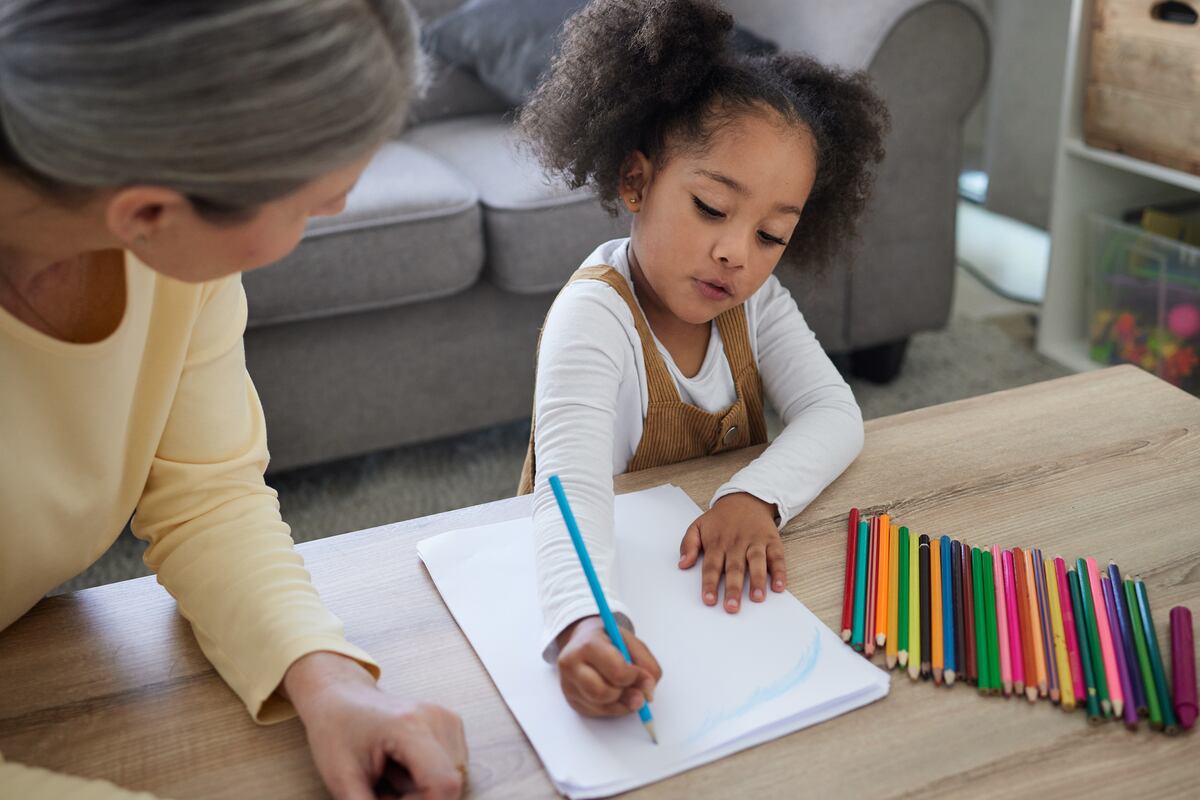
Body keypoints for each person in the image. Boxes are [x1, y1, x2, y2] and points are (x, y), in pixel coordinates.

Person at [0, 1, 466, 797]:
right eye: (315, 201)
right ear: (148, 211)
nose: (337, 211)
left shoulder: (173, 263)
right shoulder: (164, 239)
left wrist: (328, 682)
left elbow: (206, 497)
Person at [516, 0, 889, 718]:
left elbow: (834, 413)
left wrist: (752, 496)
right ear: (637, 182)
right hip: (620, 586)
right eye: (713, 209)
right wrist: (585, 620)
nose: (737, 254)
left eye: (771, 235)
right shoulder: (592, 318)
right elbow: (571, 495)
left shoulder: (756, 302)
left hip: (718, 602)